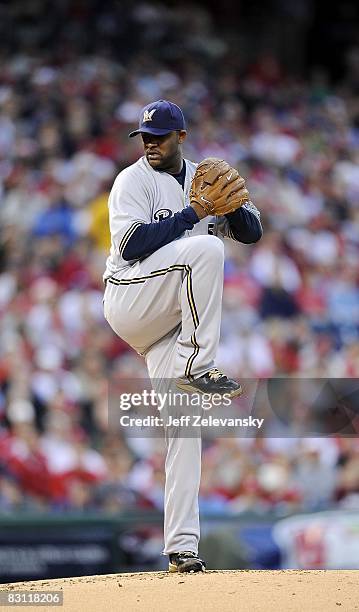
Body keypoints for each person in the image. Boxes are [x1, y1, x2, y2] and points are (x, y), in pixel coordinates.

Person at [103, 99, 262, 573]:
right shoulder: (131, 181)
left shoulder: (206, 174)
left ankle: (182, 548)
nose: (151, 144)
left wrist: (234, 209)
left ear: (182, 137)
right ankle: (198, 366)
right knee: (206, 249)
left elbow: (252, 234)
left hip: (171, 321)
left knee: (185, 427)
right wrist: (195, 213)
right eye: (145, 137)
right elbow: (131, 246)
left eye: (160, 136)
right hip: (131, 299)